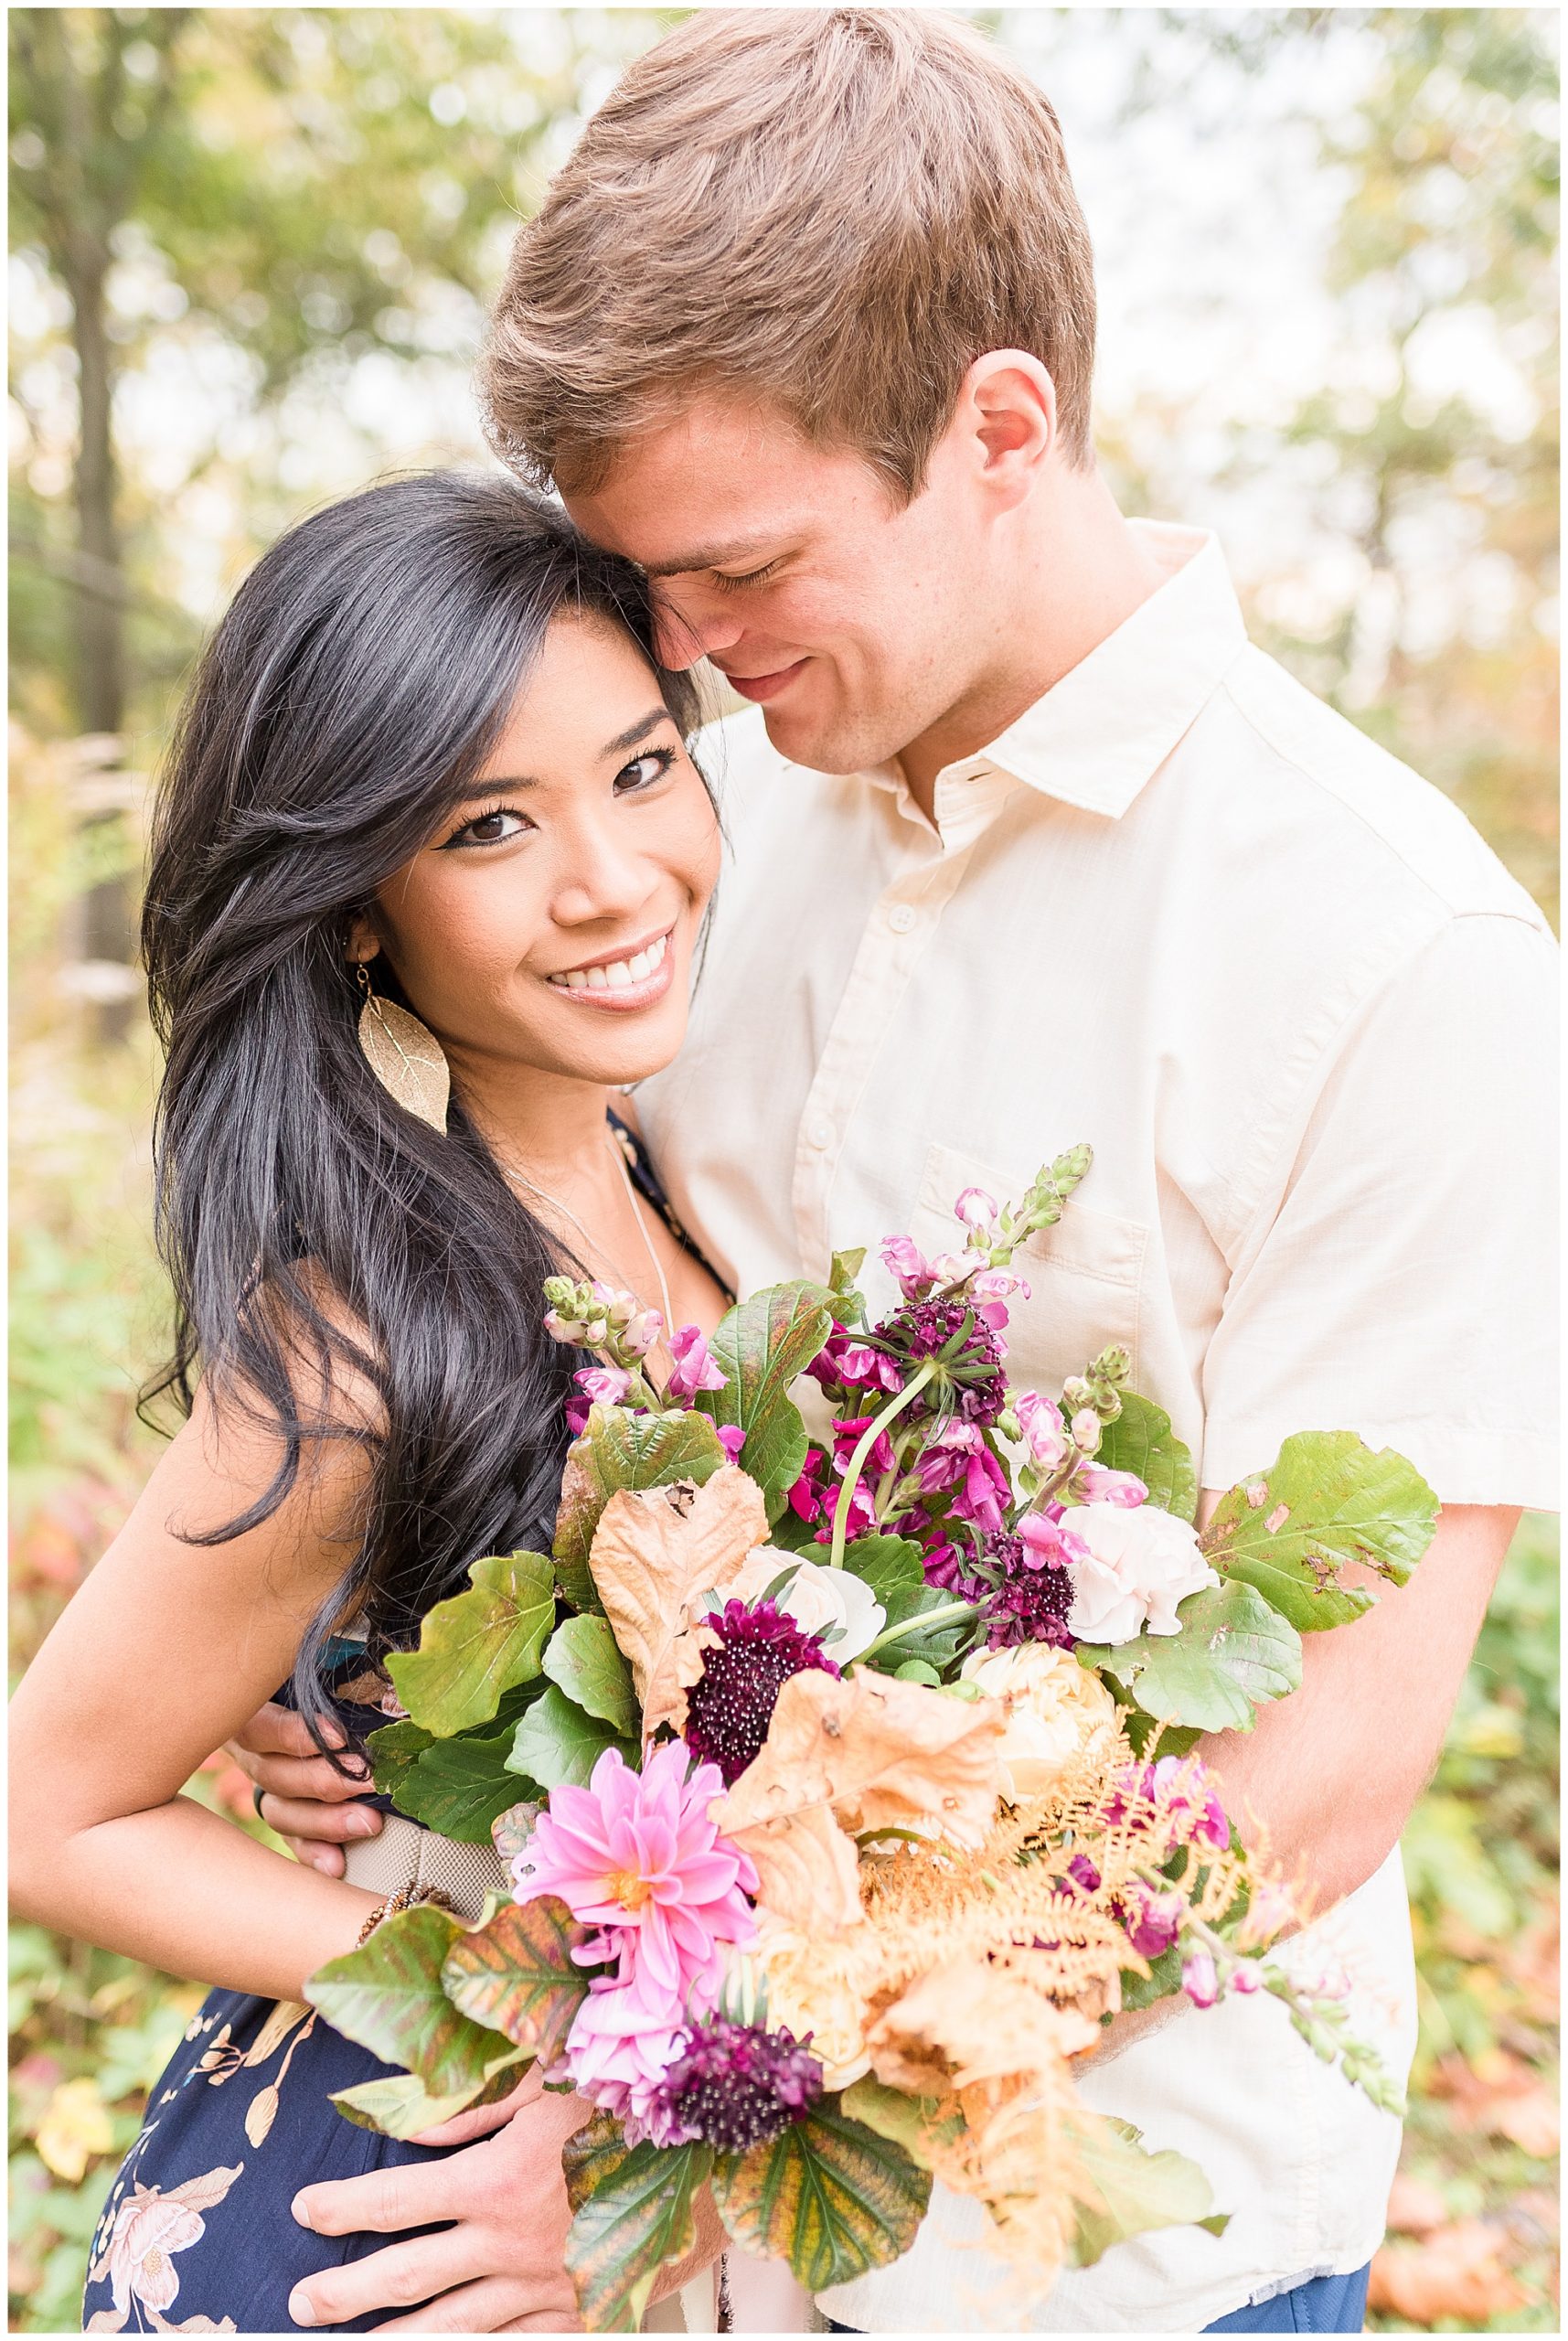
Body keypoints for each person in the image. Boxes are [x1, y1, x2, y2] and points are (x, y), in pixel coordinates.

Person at [242, 10, 1557, 2335]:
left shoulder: (1393, 951)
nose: (693, 648)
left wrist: (698, 2116)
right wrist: (340, 1635)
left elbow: (1319, 1768)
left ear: (1002, 427)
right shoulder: (675, 804)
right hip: (592, 2216)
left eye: (739, 565)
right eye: (648, 579)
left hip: (1095, 2259)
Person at [8, 470, 733, 2335]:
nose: (611, 878)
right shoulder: (354, 1342)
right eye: (493, 825)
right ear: (354, 910)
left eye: (642, 767)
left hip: (621, 2195)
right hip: (386, 2217)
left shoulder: (670, 1165)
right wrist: (520, 1986)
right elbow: (48, 1812)